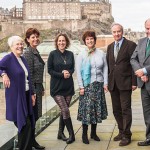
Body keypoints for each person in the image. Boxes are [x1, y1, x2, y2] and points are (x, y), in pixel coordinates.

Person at [0, 36, 35, 150]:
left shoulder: (23, 59)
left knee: (27, 126)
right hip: (16, 98)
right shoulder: (8, 58)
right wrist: (4, 74)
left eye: (21, 44)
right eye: (17, 44)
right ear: (11, 47)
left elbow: (28, 78)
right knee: (25, 125)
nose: (20, 46)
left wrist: (32, 94)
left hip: (25, 96)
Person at [106, 23, 137, 146]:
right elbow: (109, 66)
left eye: (118, 31)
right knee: (116, 110)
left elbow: (134, 64)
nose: (116, 34)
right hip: (113, 83)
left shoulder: (130, 45)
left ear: (122, 32)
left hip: (126, 83)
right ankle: (121, 131)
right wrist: (107, 82)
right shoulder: (109, 47)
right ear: (112, 33)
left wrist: (134, 82)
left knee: (126, 110)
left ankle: (127, 135)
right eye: (114, 32)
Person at [76, 30, 108, 144]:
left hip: (98, 85)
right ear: (85, 41)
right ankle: (84, 134)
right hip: (87, 86)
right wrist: (81, 87)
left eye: (91, 39)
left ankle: (93, 133)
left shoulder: (101, 53)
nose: (89, 41)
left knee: (96, 110)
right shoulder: (81, 55)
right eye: (87, 39)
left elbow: (105, 68)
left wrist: (105, 83)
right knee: (87, 110)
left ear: (95, 40)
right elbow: (78, 72)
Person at [47, 33, 75, 144]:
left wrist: (69, 72)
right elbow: (49, 70)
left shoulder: (71, 54)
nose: (61, 42)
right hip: (57, 87)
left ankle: (60, 132)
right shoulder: (52, 54)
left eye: (63, 41)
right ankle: (72, 134)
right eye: (59, 41)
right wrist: (61, 74)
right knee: (65, 110)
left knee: (64, 111)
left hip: (68, 87)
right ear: (56, 42)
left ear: (66, 42)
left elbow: (73, 68)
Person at [23, 28, 45, 149]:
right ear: (27, 40)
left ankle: (32, 141)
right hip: (32, 90)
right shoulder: (28, 53)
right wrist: (32, 92)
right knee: (32, 116)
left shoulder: (35, 51)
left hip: (37, 88)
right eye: (33, 37)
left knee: (35, 116)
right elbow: (29, 74)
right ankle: (29, 143)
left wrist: (41, 87)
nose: (36, 39)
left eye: (37, 36)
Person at [130, 18, 150, 146]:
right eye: (147, 28)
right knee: (147, 113)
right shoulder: (141, 41)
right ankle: (149, 138)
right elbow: (133, 58)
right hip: (143, 84)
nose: (149, 31)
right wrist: (139, 71)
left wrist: (145, 70)